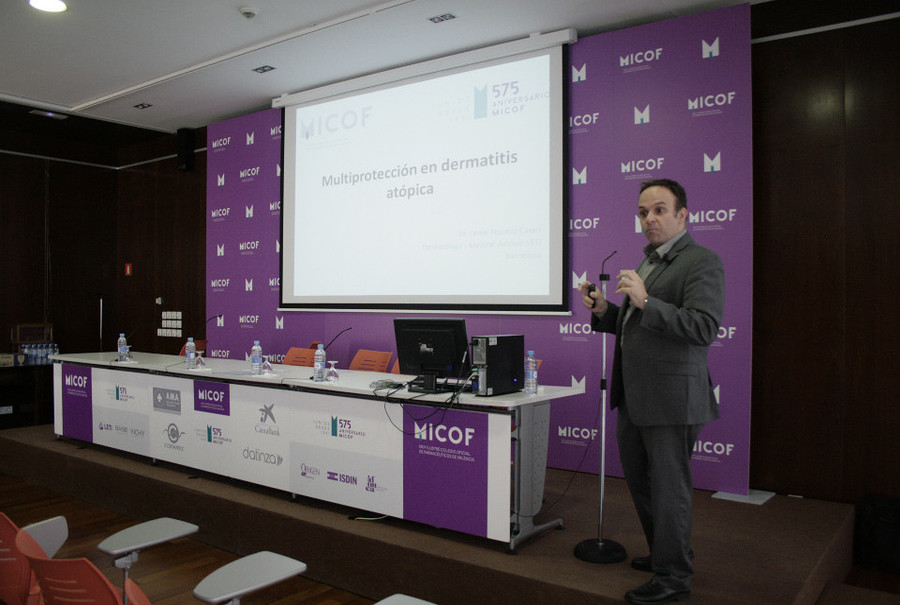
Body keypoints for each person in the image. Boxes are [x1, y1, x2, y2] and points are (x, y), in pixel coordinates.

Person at [579, 179, 724, 604]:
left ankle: (673, 578)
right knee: (642, 484)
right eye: (643, 212)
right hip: (635, 396)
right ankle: (666, 554)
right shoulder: (648, 262)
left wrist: (645, 302)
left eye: (660, 210)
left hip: (671, 400)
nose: (649, 219)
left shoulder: (701, 261)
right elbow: (635, 327)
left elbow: (703, 327)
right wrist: (605, 310)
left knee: (668, 490)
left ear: (683, 215)